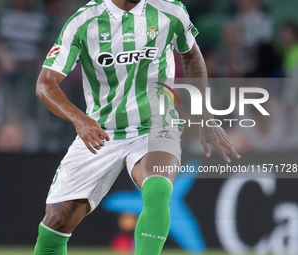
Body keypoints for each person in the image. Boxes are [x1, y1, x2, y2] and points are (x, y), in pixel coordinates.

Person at [33, 0, 241, 254]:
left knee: (158, 188)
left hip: (155, 125)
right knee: (55, 225)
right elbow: (45, 85)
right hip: (100, 131)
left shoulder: (169, 11)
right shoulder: (83, 21)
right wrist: (80, 120)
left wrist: (204, 115)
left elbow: (191, 54)